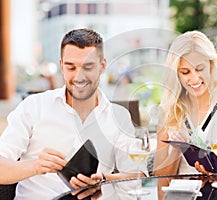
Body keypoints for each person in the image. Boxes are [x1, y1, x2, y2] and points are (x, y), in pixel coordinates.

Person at [0, 28, 147, 199]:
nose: (79, 77)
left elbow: (137, 175)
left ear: (102, 66)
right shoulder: (33, 106)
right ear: (62, 66)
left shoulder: (119, 116)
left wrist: (105, 180)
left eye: (88, 67)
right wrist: (35, 166)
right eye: (71, 67)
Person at [153, 31, 217, 199]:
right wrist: (179, 149)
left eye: (200, 69)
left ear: (211, 65)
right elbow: (161, 181)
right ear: (176, 74)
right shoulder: (168, 113)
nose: (194, 78)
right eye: (185, 72)